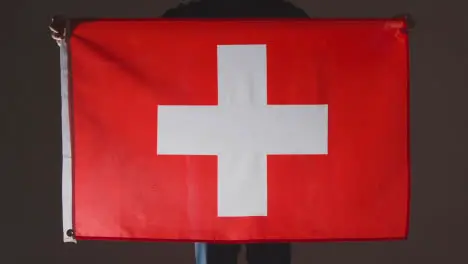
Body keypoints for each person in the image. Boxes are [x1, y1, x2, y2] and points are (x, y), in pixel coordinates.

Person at [161, 1, 309, 263]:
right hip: (214, 173)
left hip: (266, 171)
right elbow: (137, 46)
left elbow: (329, 53)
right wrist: (73, 36)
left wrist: (388, 36)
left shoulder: (285, 15)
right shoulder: (187, 16)